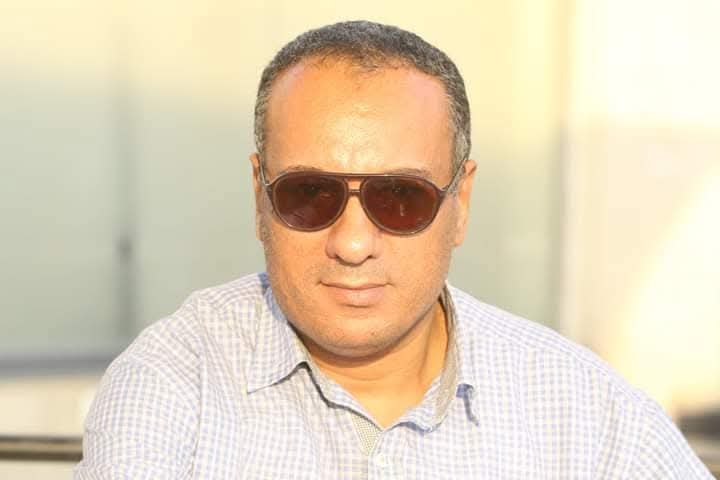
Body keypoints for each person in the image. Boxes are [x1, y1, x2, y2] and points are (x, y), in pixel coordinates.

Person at [75, 20, 712, 479]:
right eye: (309, 195)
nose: (352, 243)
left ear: (460, 202)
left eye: (401, 198)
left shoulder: (586, 415)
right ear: (259, 197)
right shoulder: (175, 385)